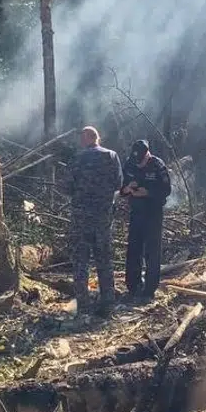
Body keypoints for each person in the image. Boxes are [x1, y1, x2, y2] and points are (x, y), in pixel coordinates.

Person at [66, 125, 121, 313]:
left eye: (81, 138)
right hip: (103, 217)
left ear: (87, 138)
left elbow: (67, 187)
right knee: (104, 258)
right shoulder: (111, 156)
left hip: (81, 218)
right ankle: (108, 300)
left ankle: (83, 303)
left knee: (80, 261)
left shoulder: (77, 158)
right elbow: (118, 183)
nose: (80, 142)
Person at [120, 138, 171, 300]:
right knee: (134, 249)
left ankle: (149, 289)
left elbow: (166, 190)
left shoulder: (158, 165)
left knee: (152, 251)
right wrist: (128, 188)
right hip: (136, 212)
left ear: (147, 154)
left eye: (141, 160)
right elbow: (120, 188)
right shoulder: (129, 164)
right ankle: (133, 286)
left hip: (153, 213)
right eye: (137, 160)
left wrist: (147, 192)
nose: (139, 163)